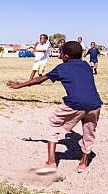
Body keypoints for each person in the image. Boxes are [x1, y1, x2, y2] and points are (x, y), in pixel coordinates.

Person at [7, 41, 102, 174]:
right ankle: (83, 162)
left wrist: (20, 85)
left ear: (66, 56)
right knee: (89, 132)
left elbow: (40, 79)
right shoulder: (86, 65)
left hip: (75, 104)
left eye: (61, 53)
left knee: (54, 124)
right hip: (95, 104)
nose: (60, 55)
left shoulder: (61, 68)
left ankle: (51, 162)